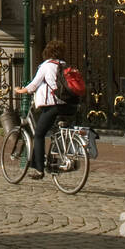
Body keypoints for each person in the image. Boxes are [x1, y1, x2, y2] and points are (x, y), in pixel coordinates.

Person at [14, 39, 77, 180]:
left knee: (39, 134)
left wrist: (20, 90)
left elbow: (33, 85)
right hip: (69, 105)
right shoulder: (64, 65)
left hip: (53, 105)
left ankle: (39, 170)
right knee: (56, 132)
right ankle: (55, 160)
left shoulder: (47, 66)